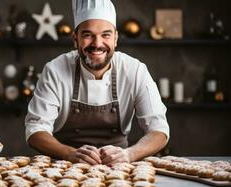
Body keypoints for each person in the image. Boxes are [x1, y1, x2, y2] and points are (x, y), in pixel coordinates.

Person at [25, 0, 169, 165]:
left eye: (105, 35)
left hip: (118, 168)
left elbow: (159, 130)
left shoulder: (135, 70)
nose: (97, 44)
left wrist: (130, 154)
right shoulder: (55, 70)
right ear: (75, 38)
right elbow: (35, 131)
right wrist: (69, 154)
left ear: (115, 38)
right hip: (64, 167)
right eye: (88, 35)